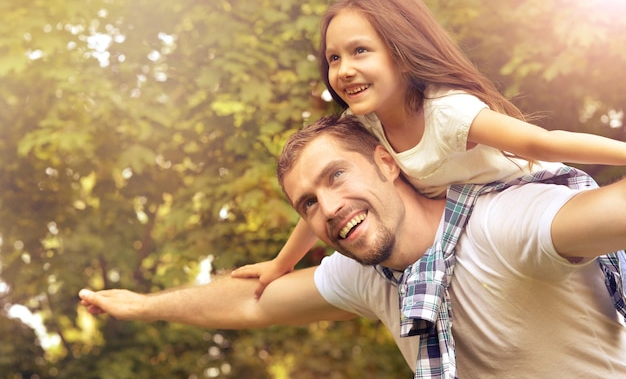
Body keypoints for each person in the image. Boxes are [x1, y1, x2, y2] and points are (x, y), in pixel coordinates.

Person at [80, 115, 626, 379]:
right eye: (308, 203)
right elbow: (251, 301)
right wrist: (143, 305)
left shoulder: (505, 224)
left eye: (336, 175)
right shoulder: (369, 274)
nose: (328, 207)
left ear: (388, 163)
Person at [232, 0, 626, 297]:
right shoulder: (362, 126)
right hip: (474, 225)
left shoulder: (447, 112)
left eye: (359, 51)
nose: (344, 70)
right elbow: (325, 200)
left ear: (401, 54)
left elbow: (542, 143)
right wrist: (281, 264)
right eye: (334, 58)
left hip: (533, 202)